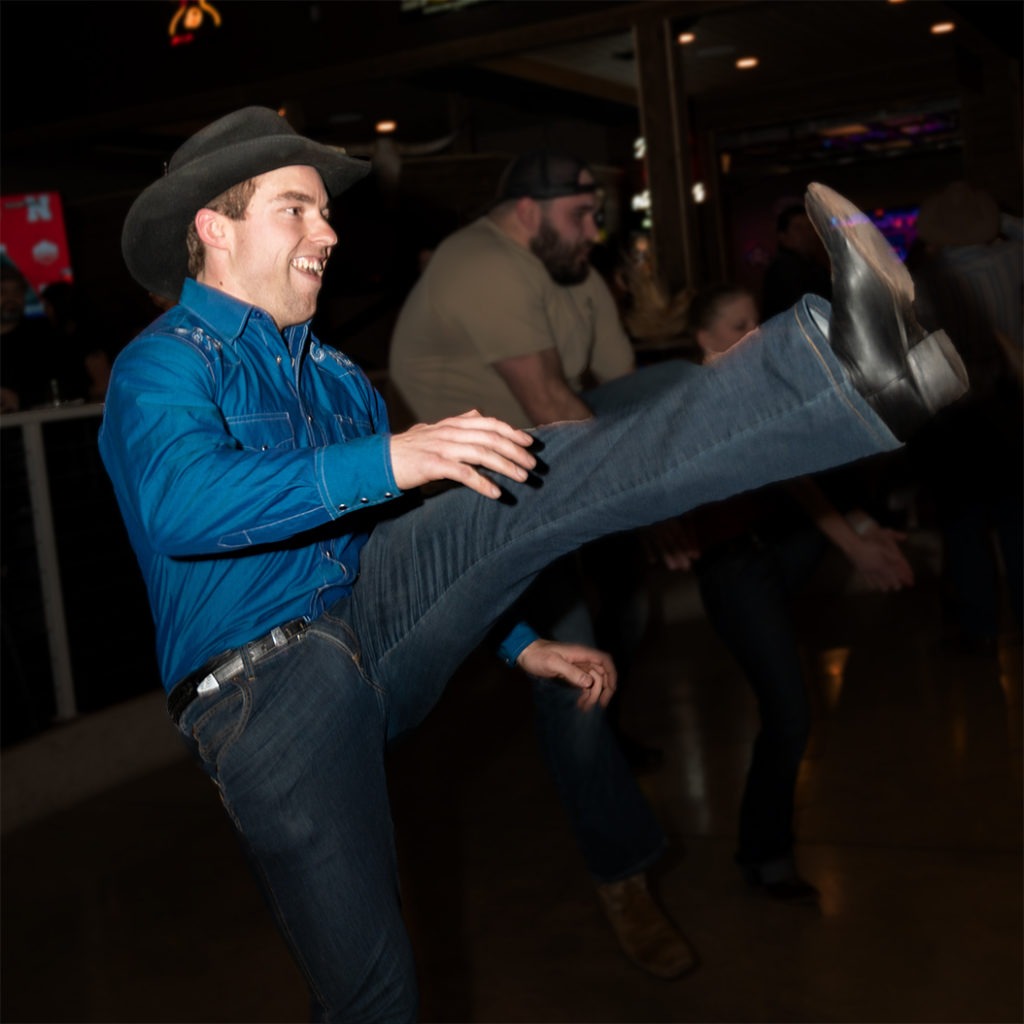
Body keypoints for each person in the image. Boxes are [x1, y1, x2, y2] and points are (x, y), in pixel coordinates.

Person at [97, 106, 968, 1022]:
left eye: (325, 212)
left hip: (370, 627)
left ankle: (854, 373)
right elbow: (180, 507)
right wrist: (395, 457)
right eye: (297, 209)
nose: (329, 231)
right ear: (214, 228)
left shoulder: (339, 381)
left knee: (528, 469)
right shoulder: (162, 368)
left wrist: (520, 645)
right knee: (374, 997)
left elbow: (414, 552)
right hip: (262, 702)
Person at [389, 150, 691, 979]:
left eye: (597, 214)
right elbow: (557, 401)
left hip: (557, 466)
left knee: (690, 379)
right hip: (491, 501)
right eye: (580, 216)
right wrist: (655, 507)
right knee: (577, 680)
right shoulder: (477, 263)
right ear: (528, 209)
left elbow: (624, 391)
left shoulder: (570, 269)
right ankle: (623, 878)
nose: (594, 231)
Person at [655, 282, 915, 904]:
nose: (756, 332)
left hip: (769, 554)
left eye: (757, 320)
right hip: (733, 572)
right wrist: (852, 540)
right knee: (791, 713)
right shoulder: (691, 398)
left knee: (837, 479)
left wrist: (857, 530)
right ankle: (765, 856)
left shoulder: (750, 391)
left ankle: (763, 851)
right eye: (741, 323)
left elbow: (799, 480)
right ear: (705, 339)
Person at [908, 181, 1023, 654]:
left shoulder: (922, 282)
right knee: (1017, 520)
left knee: (962, 524)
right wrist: (1001, 222)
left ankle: (979, 628)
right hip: (1008, 401)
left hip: (952, 413)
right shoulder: (1011, 260)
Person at [0, 264, 86, 412]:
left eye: (17, 292)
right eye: (2, 292)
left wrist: (19, 399)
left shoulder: (46, 337)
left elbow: (74, 386)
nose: (11, 298)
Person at [760, 202, 833, 321]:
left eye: (810, 227)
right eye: (798, 228)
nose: (807, 233)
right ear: (783, 236)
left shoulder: (814, 266)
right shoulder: (784, 268)